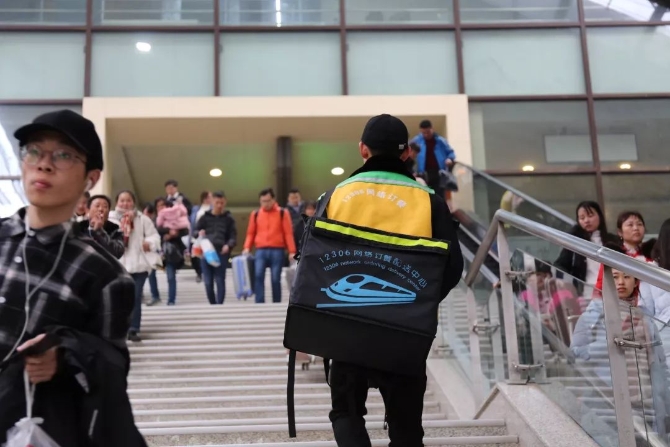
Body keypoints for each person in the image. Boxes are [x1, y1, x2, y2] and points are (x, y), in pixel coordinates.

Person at [0, 109, 144, 445]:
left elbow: (112, 369)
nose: (44, 164)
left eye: (63, 155)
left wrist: (64, 355)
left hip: (27, 426)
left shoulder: (105, 275)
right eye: (34, 151)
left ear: (90, 179)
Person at [319, 114, 462, 447]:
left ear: (362, 149)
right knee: (406, 426)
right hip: (406, 331)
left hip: (347, 326)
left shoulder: (337, 195)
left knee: (346, 412)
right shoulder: (429, 200)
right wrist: (418, 303)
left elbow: (315, 261)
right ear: (406, 153)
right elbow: (453, 267)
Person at [109, 191, 161, 341]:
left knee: (135, 297)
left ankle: (133, 328)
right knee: (119, 299)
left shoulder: (142, 219)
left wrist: (149, 243)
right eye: (122, 200)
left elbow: (154, 235)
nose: (125, 203)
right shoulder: (110, 218)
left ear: (133, 202)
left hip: (139, 265)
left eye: (128, 200)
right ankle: (119, 328)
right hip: (118, 266)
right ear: (117, 202)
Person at [242, 188, 296, 304]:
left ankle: (276, 302)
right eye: (263, 201)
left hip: (277, 249)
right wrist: (247, 247)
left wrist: (292, 251)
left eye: (268, 201)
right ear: (260, 201)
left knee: (275, 278)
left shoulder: (282, 213)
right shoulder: (256, 214)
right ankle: (259, 302)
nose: (266, 204)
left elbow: (288, 233)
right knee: (258, 275)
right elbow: (251, 233)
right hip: (260, 249)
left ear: (273, 200)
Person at [554, 201, 618, 294]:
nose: (586, 220)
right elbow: (559, 265)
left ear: (600, 216)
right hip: (586, 292)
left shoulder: (613, 240)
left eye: (590, 215)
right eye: (582, 218)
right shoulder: (575, 242)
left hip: (613, 291)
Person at [197, 191, 237, 305]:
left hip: (221, 252)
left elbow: (233, 236)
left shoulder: (229, 219)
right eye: (217, 202)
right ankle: (212, 304)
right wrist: (199, 233)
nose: (219, 205)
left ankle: (219, 305)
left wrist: (228, 245)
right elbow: (195, 231)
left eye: (221, 203)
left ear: (225, 202)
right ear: (212, 202)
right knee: (208, 282)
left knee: (220, 280)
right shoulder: (205, 217)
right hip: (206, 252)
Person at [411, 119, 456, 201]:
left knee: (439, 196)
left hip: (439, 173)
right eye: (423, 133)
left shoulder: (440, 141)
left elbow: (451, 152)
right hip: (423, 173)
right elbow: (409, 152)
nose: (426, 134)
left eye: (428, 132)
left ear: (432, 129)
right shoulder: (417, 140)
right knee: (425, 196)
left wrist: (449, 159)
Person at [156, 197, 188, 306]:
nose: (160, 208)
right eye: (158, 206)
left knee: (171, 276)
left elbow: (185, 229)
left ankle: (171, 300)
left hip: (175, 252)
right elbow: (157, 230)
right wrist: (168, 231)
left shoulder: (177, 217)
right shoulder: (158, 220)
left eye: (162, 205)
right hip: (162, 252)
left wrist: (175, 233)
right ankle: (164, 298)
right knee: (169, 275)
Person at [77, 194, 125, 259]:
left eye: (105, 207)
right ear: (88, 210)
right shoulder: (79, 227)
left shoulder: (115, 228)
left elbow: (117, 252)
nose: (101, 209)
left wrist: (99, 231)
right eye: (97, 206)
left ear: (109, 212)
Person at [142, 202, 162, 305]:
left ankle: (155, 296)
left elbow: (157, 237)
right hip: (140, 253)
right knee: (141, 275)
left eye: (149, 213)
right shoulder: (139, 221)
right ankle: (141, 294)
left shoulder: (155, 223)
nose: (146, 215)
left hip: (151, 252)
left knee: (151, 275)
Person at [190, 191, 211, 283]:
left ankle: (208, 273)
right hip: (196, 234)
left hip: (208, 235)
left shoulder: (213, 209)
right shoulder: (196, 209)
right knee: (195, 255)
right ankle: (199, 273)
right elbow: (192, 222)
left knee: (207, 254)